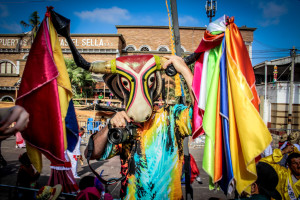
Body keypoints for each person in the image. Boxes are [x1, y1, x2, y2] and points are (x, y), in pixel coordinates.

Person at [85, 55, 194, 199]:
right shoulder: (121, 124)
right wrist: (109, 126)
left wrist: (185, 71)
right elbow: (91, 153)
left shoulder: (172, 116)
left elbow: (202, 114)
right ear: (121, 88)